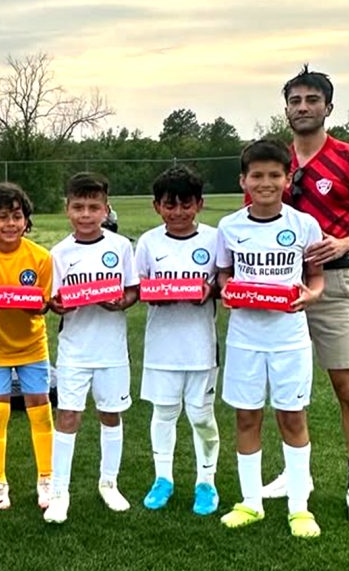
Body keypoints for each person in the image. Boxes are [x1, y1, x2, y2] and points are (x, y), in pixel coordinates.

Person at [261, 67, 349, 527]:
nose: (302, 107)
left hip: (335, 284)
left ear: (327, 107)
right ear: (286, 109)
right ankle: (295, 473)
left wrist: (345, 244)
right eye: (295, 100)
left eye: (311, 100)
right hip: (279, 285)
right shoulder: (275, 161)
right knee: (284, 389)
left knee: (347, 387)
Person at [216, 139, 324, 538]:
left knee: (292, 417)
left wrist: (309, 296)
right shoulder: (229, 227)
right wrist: (228, 289)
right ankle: (250, 502)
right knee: (247, 416)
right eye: (256, 175)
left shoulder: (304, 225)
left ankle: (299, 507)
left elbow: (316, 280)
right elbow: (224, 275)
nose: (265, 183)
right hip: (245, 338)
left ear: (287, 178)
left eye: (274, 175)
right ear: (243, 180)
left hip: (290, 338)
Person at [44, 172, 139, 524]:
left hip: (112, 349)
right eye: (78, 207)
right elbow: (54, 301)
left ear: (105, 209)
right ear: (67, 209)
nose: (86, 214)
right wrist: (59, 305)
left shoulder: (120, 247)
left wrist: (122, 302)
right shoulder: (59, 253)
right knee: (68, 416)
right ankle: (58, 493)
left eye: (93, 207)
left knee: (110, 415)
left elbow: (133, 290)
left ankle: (109, 483)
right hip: (74, 350)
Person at [135, 166, 221, 516]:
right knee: (164, 413)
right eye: (170, 205)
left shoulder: (215, 239)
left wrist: (211, 289)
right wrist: (151, 293)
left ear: (199, 204)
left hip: (201, 346)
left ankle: (206, 482)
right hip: (161, 347)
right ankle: (163, 478)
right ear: (157, 207)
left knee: (201, 416)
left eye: (186, 204)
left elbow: (225, 282)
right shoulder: (148, 242)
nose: (179, 212)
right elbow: (140, 285)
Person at [0, 182, 54, 511]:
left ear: (26, 221)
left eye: (17, 216)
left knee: (40, 411)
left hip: (32, 344)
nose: (10, 224)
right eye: (2, 217)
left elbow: (43, 303)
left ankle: (47, 478)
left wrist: (37, 306)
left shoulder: (40, 257)